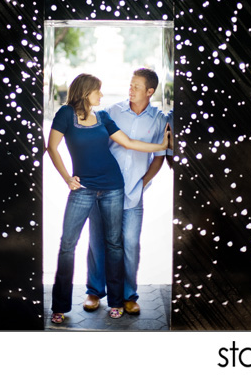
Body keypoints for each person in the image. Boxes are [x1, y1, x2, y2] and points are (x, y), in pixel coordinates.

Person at [47, 73, 171, 324]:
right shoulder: (65, 114)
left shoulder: (103, 117)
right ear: (85, 92)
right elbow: (52, 147)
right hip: (83, 189)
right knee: (68, 245)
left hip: (113, 186)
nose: (101, 96)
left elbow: (129, 143)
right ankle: (60, 305)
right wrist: (66, 178)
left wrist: (162, 146)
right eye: (98, 91)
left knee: (116, 244)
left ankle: (116, 302)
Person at [84, 69, 170, 315]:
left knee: (130, 244)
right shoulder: (111, 112)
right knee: (98, 242)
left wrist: (142, 184)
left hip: (133, 194)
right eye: (130, 85)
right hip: (102, 190)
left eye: (136, 86)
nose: (130, 90)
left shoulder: (158, 119)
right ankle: (94, 291)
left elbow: (158, 157)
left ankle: (128, 295)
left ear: (150, 91)